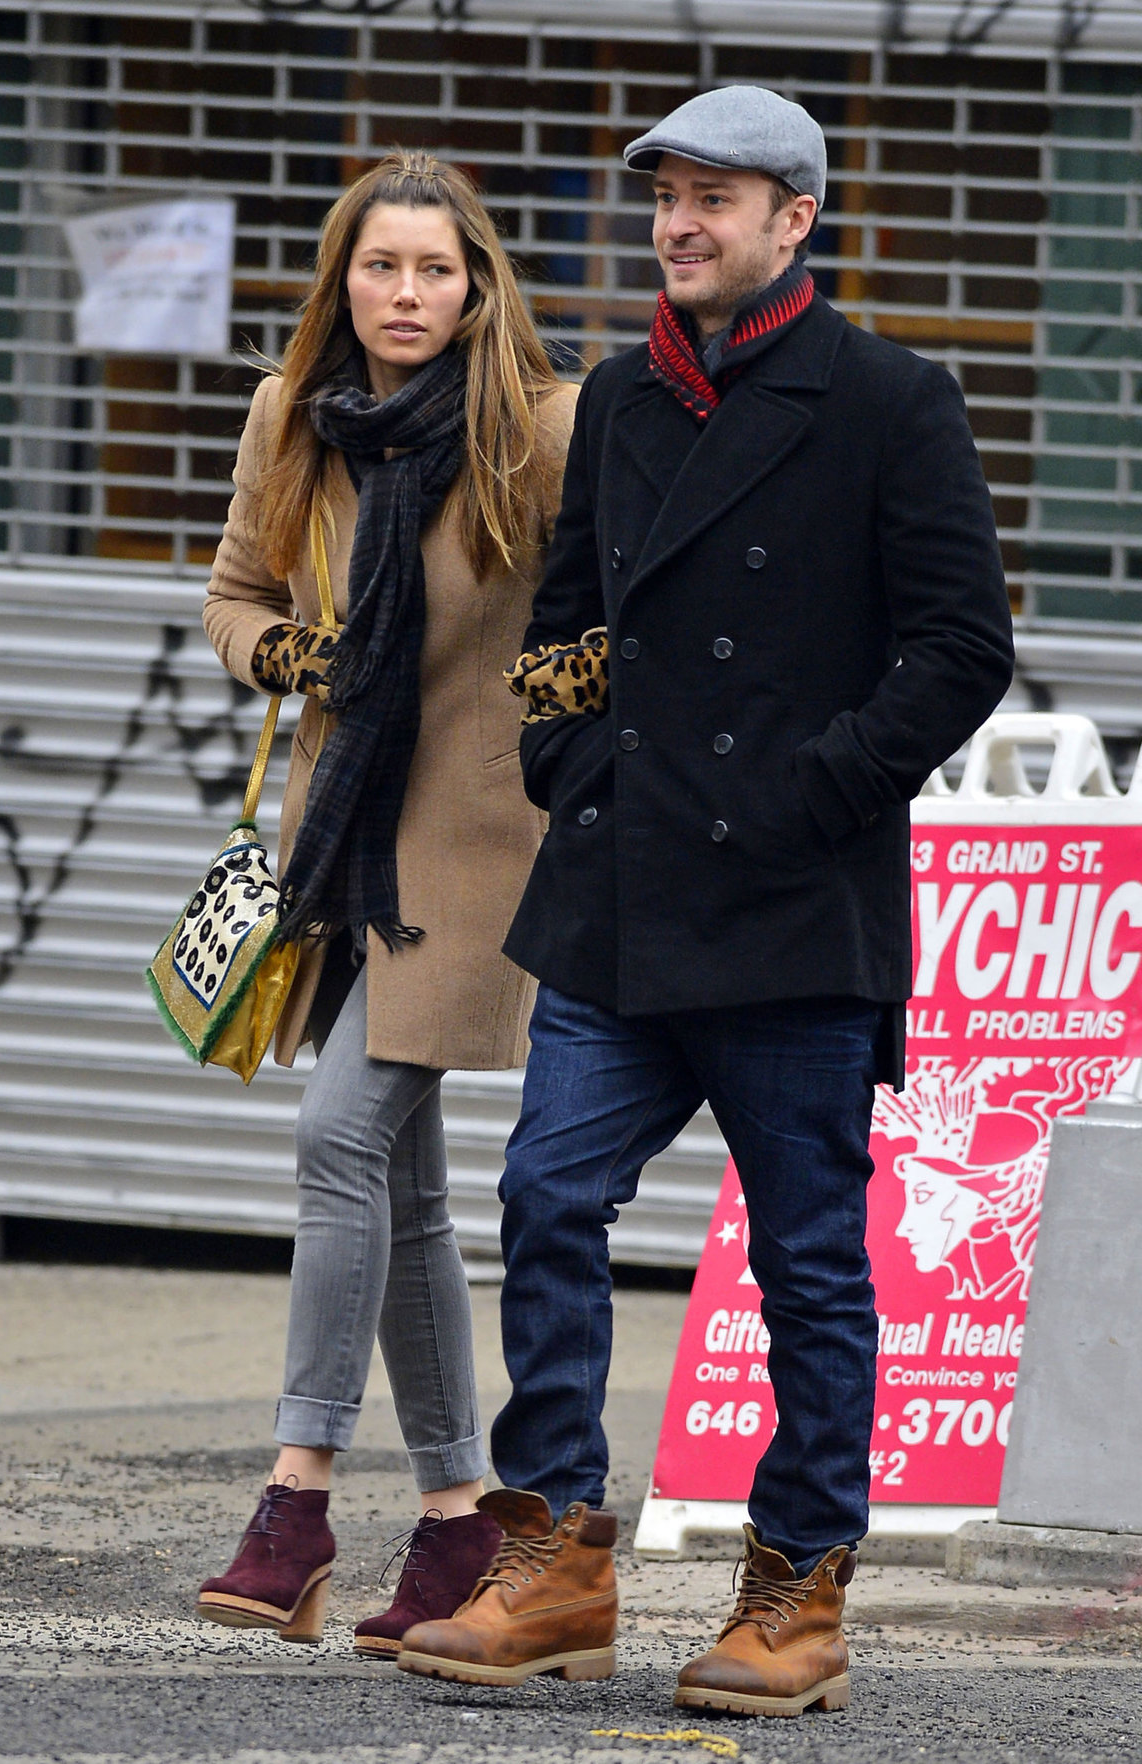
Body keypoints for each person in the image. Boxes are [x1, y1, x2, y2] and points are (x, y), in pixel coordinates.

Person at [396, 87, 1015, 1714]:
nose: (680, 223)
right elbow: (574, 621)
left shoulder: (890, 398)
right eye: (667, 195)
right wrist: (567, 761)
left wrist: (808, 792)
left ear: (794, 221)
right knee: (545, 1198)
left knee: (812, 1261)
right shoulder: (617, 396)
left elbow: (961, 651)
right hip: (620, 893)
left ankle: (796, 1595)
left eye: (715, 198)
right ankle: (558, 1556)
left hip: (797, 913)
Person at [195, 151, 577, 1653]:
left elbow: (604, 603)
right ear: (342, 278)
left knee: (336, 1134)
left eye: (434, 268)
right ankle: (455, 1523)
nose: (405, 293)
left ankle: (296, 1495)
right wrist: (293, 657)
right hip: (343, 842)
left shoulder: (538, 427)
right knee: (405, 1195)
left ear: (477, 284)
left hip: (479, 850)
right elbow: (236, 593)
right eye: (379, 265)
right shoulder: (297, 420)